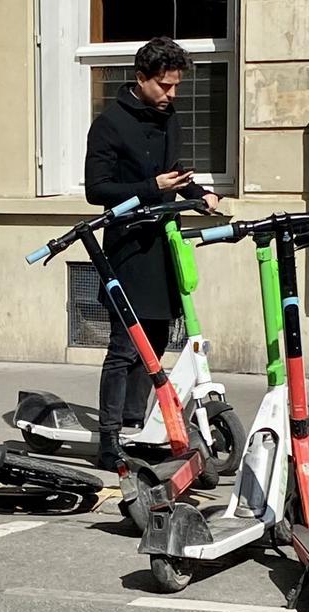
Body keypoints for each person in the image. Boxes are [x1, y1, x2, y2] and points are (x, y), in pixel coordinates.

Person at [84, 36, 220, 471]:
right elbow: (97, 190)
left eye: (176, 86)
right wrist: (151, 188)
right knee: (126, 345)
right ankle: (108, 441)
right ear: (141, 78)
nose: (172, 94)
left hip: (164, 244)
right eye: (164, 86)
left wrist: (200, 193)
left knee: (158, 340)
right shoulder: (109, 124)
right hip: (128, 248)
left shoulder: (169, 119)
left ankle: (133, 423)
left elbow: (173, 175)